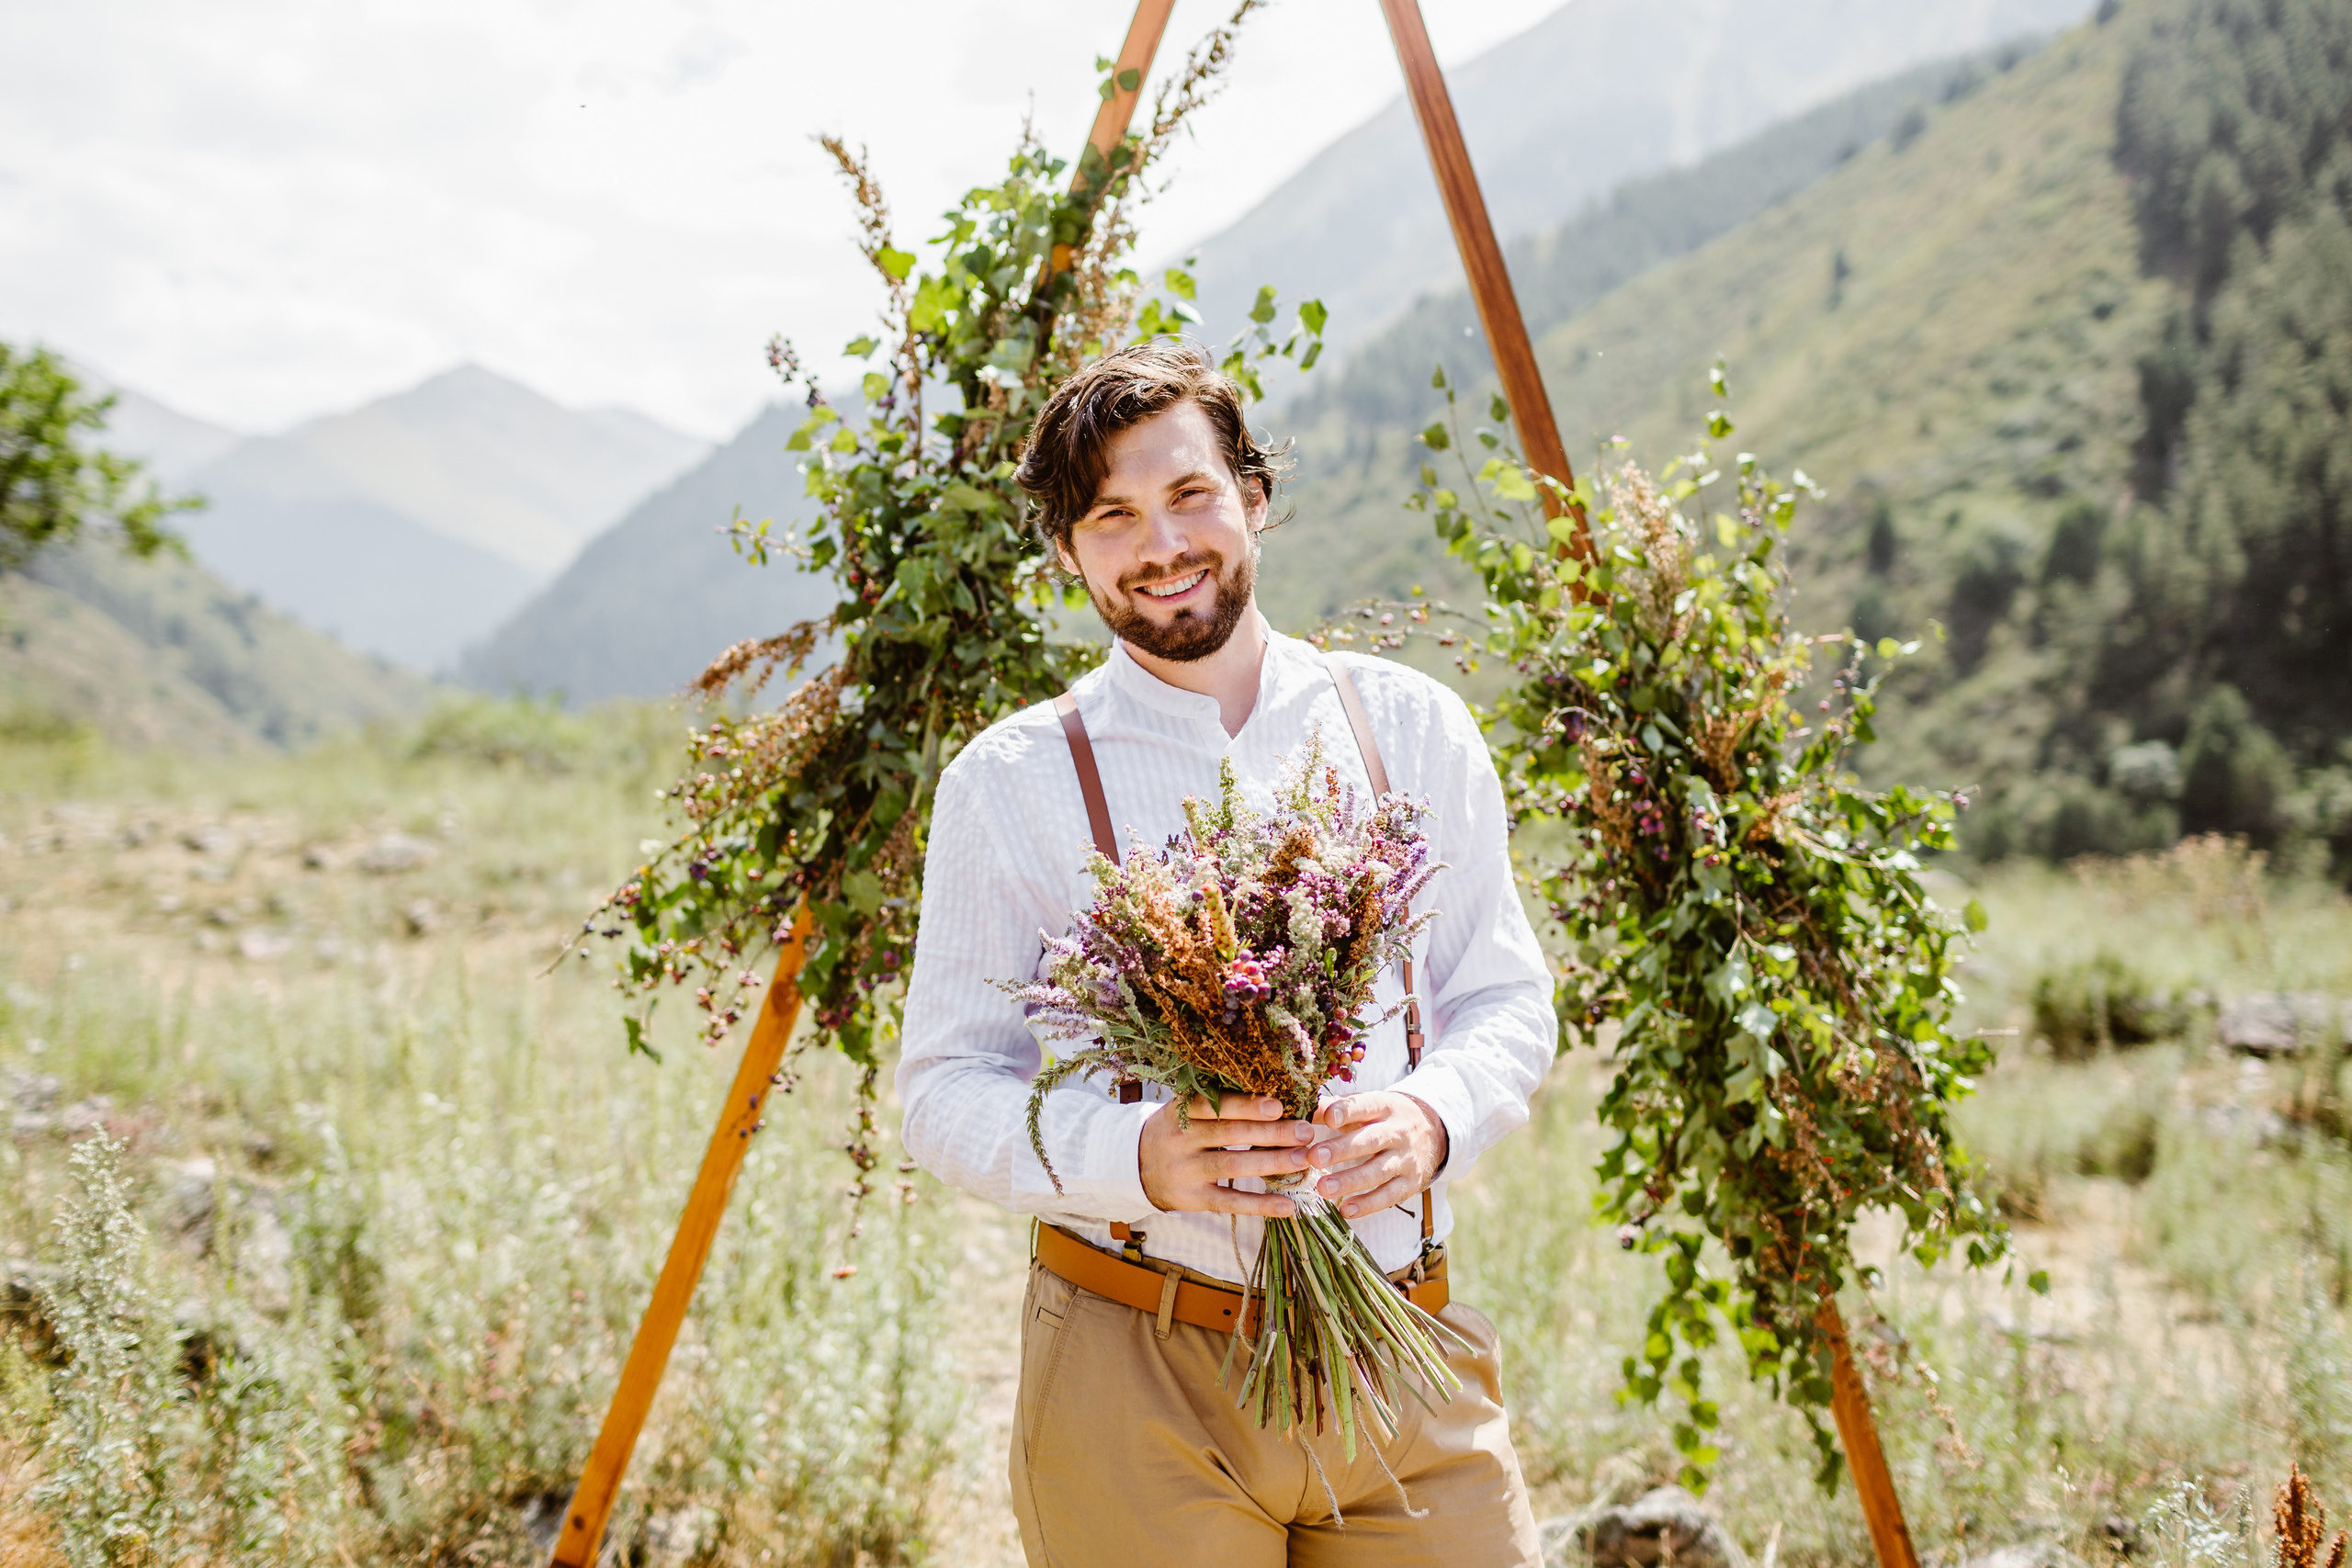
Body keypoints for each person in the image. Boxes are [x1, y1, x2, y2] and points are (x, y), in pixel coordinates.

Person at [897, 339, 1553, 1566]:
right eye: (1112, 518)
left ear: (1251, 494)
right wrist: (1131, 1154)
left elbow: (1506, 998)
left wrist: (1434, 1116)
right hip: (1141, 1374)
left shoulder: (1408, 726)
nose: (1162, 547)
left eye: (1189, 495)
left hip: (1404, 1353)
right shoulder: (1010, 783)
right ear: (1068, 553)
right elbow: (941, 1091)